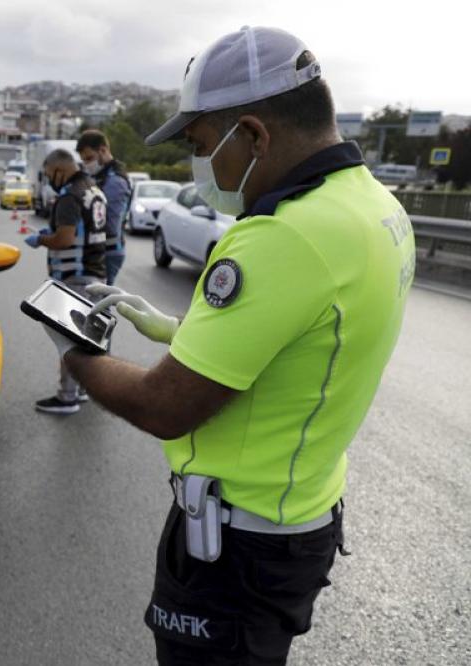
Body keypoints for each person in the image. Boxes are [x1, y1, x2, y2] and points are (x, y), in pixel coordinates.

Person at [36, 26, 415, 664]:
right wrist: (164, 326)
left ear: (255, 134)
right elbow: (294, 342)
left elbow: (165, 406)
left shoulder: (282, 236)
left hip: (235, 546)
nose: (198, 163)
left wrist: (77, 355)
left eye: (201, 144)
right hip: (301, 519)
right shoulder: (376, 207)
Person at [24, 148, 108, 415]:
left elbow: (65, 239)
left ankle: (67, 397)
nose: (50, 180)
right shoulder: (93, 189)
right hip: (97, 274)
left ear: (60, 169)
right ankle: (83, 390)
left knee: (68, 341)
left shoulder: (69, 197)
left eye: (50, 175)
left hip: (76, 277)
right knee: (87, 340)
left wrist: (41, 239)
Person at [77, 129, 131, 285]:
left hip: (108, 251)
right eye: (84, 160)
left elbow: (108, 224)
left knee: (98, 301)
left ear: (103, 150)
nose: (87, 164)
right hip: (99, 250)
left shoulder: (115, 181)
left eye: (89, 158)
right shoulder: (100, 176)